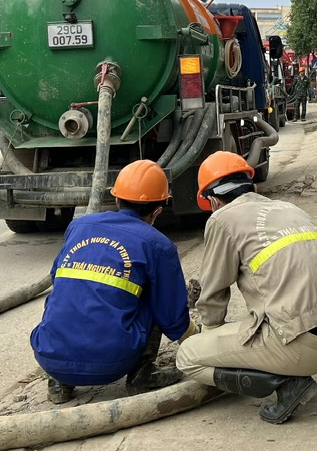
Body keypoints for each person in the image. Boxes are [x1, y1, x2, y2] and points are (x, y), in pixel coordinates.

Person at [176, 152, 317, 424]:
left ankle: (286, 383)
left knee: (188, 356)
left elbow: (213, 293)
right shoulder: (290, 209)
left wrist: (211, 342)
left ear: (213, 200)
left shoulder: (222, 219)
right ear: (253, 187)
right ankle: (287, 367)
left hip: (303, 348)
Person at [31, 160, 198, 404]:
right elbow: (172, 317)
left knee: (68, 289)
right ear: (158, 210)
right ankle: (143, 374)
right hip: (113, 362)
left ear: (117, 199)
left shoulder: (78, 226)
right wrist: (199, 341)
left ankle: (59, 381)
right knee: (154, 297)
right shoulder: (157, 244)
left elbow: (56, 277)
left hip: (48, 355)